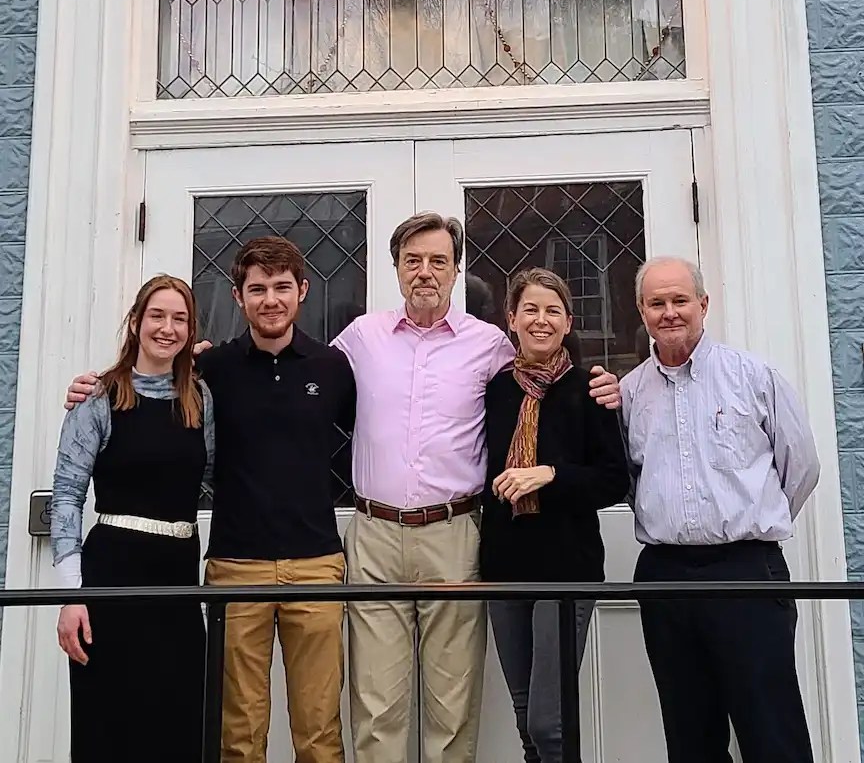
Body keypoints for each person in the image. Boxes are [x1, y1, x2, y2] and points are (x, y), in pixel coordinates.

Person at [332, 212, 621, 763]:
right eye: (413, 261)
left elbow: (551, 372)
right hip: (373, 535)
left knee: (452, 705)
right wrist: (205, 364)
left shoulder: (489, 344)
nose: (425, 272)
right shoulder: (361, 338)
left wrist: (607, 383)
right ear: (395, 269)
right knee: (376, 706)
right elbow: (305, 385)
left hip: (454, 534)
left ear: (456, 271)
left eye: (438, 261)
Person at [65, 237, 356, 763]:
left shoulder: (333, 368)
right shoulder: (211, 372)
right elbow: (152, 388)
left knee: (319, 731)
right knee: (238, 735)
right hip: (235, 566)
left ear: (303, 292)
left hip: (316, 563)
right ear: (239, 296)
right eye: (258, 289)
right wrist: (95, 386)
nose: (271, 299)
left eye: (282, 287)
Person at [620, 256, 820, 763]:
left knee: (771, 728)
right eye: (657, 302)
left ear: (703, 305)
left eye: (680, 300)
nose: (669, 312)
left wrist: (750, 524)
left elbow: (802, 466)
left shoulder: (753, 376)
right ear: (641, 311)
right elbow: (627, 480)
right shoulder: (629, 393)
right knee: (690, 734)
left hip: (747, 571)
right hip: (665, 577)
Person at [51, 274, 214, 763]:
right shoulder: (99, 397)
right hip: (111, 582)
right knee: (110, 724)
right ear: (137, 322)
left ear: (190, 329)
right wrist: (72, 595)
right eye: (157, 316)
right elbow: (66, 497)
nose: (167, 328)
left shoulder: (200, 400)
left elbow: (216, 474)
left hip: (178, 583)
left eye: (179, 319)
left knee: (176, 722)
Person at [481, 268, 629, 763]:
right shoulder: (497, 389)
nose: (540, 320)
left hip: (566, 569)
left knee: (550, 723)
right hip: (504, 570)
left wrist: (548, 474)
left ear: (568, 323)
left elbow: (614, 479)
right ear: (511, 320)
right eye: (530, 310)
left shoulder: (590, 388)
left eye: (552, 311)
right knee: (526, 719)